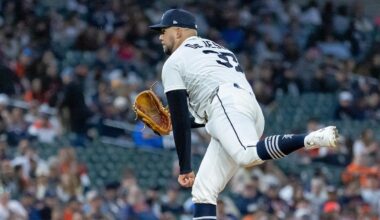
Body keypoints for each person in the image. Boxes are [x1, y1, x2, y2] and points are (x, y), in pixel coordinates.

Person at [149, 9, 339, 220]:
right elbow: (200, 118)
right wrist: (176, 123)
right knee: (204, 191)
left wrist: (185, 167)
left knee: (246, 155)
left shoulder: (174, 62)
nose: (160, 36)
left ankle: (310, 138)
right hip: (244, 106)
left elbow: (181, 116)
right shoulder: (219, 49)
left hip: (225, 104)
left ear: (177, 32)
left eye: (163, 31)